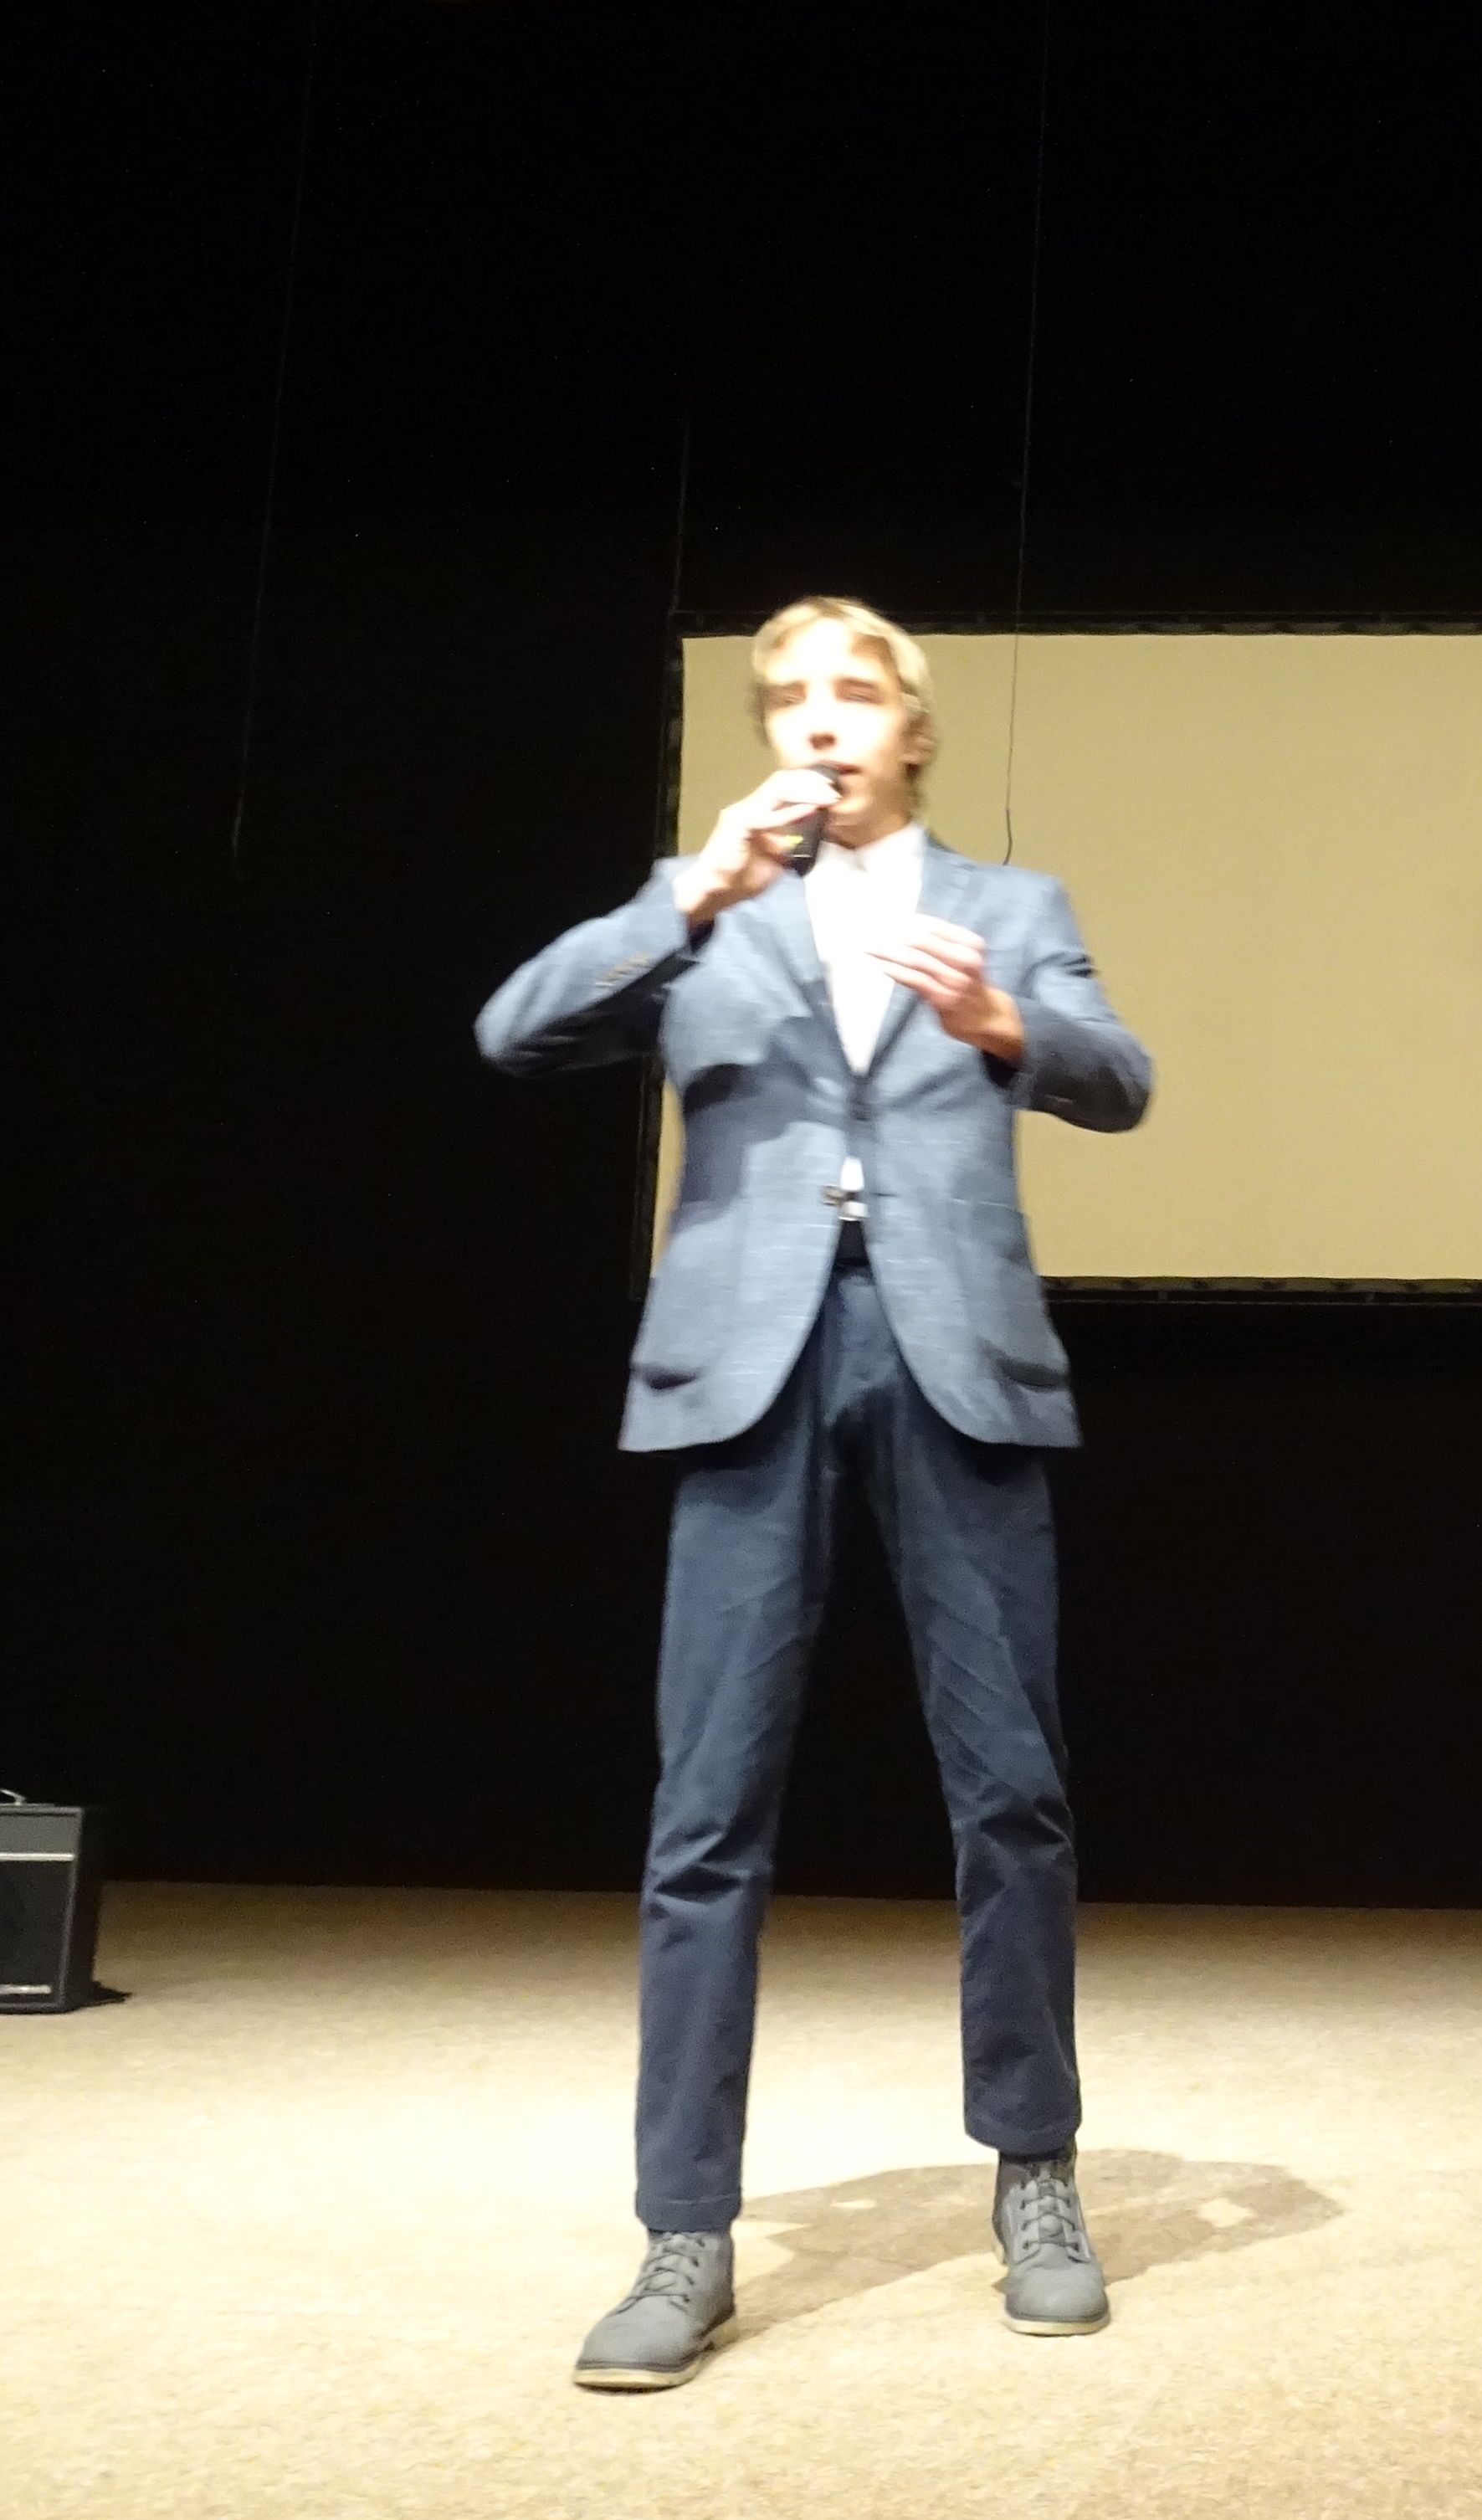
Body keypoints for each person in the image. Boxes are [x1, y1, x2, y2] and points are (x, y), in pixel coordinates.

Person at [477, 596, 1152, 2389]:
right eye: (790, 698)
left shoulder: (1010, 905)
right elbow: (515, 1035)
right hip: (745, 1364)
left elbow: (1123, 1081)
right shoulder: (702, 903)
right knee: (706, 1814)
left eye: (855, 692)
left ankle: (1036, 2177)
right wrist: (686, 898)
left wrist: (1006, 1021)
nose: (821, 720)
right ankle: (684, 2230)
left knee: (1012, 1796)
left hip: (957, 1360)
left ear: (912, 728)